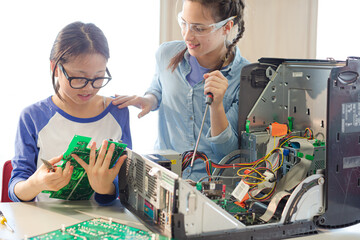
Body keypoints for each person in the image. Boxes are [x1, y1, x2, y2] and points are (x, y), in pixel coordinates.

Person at [112, 0, 248, 181]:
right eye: (184, 23)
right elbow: (158, 88)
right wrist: (149, 100)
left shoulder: (246, 78)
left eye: (199, 29)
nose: (187, 36)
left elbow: (228, 154)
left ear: (226, 27)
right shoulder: (165, 54)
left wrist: (216, 107)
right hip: (165, 179)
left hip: (213, 188)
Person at [9, 21, 132, 204]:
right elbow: (16, 188)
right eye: (79, 78)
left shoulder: (117, 112)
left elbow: (126, 184)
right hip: (46, 223)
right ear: (55, 68)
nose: (89, 88)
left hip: (103, 224)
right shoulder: (33, 117)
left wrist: (105, 188)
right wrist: (36, 184)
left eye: (98, 78)